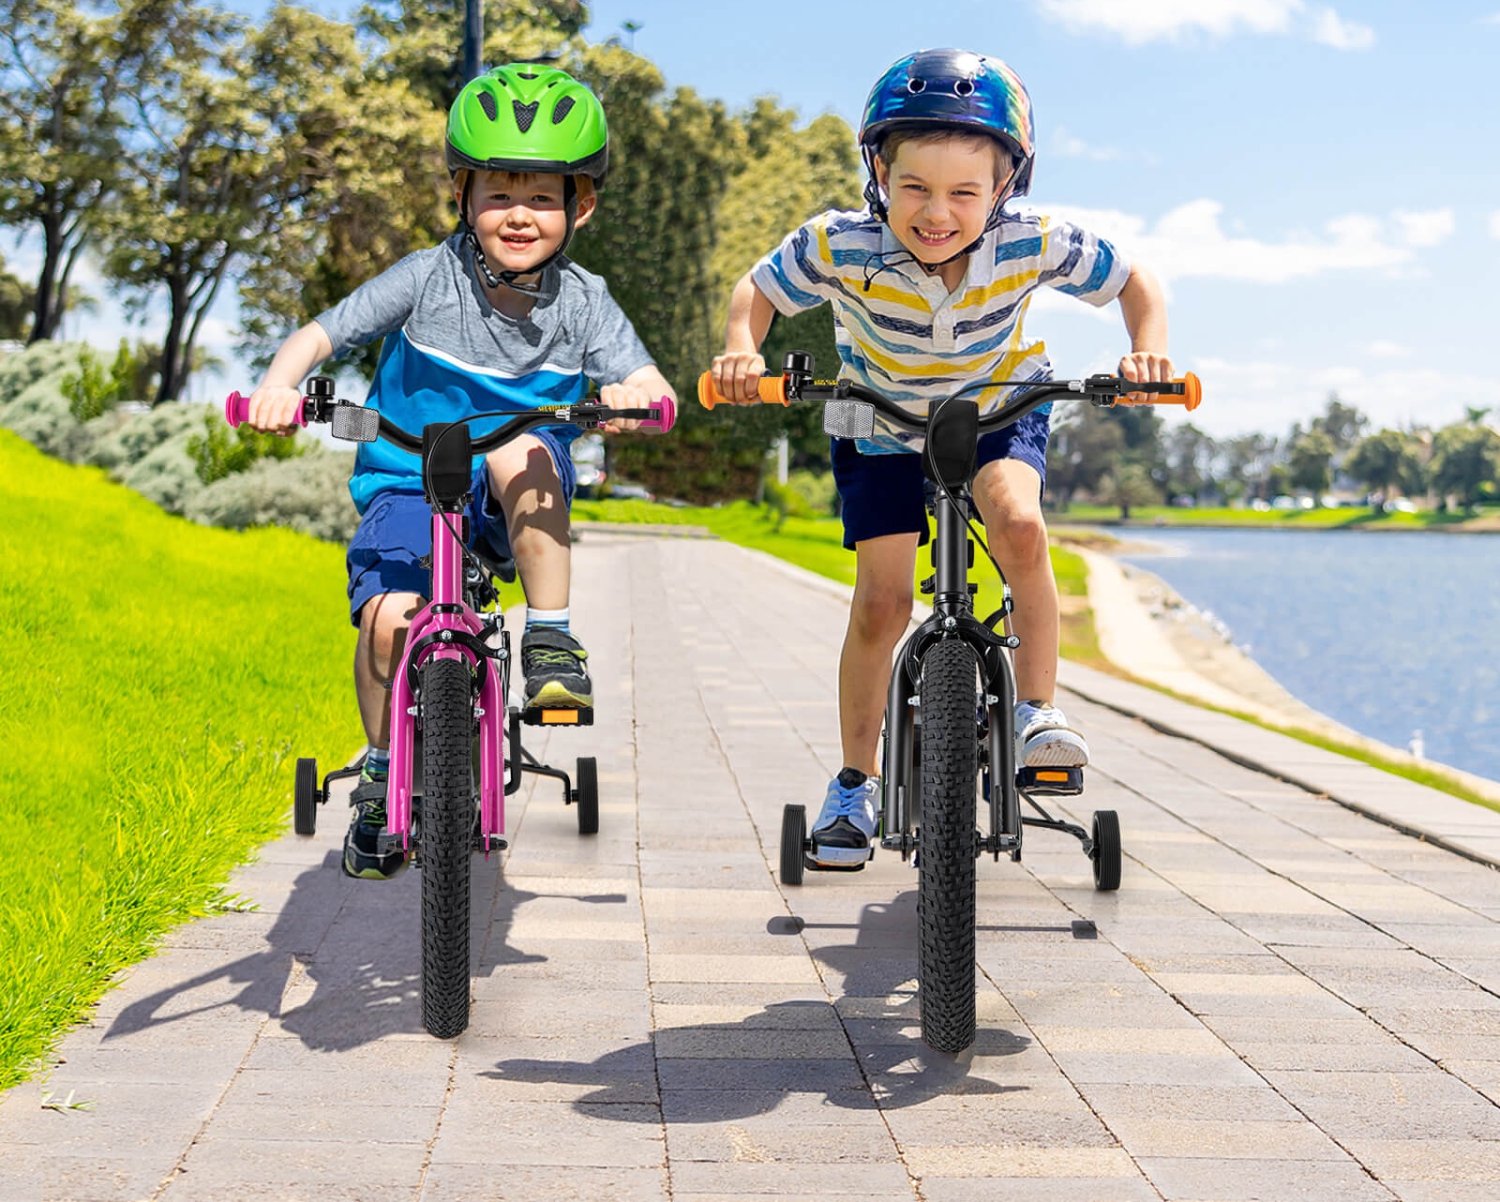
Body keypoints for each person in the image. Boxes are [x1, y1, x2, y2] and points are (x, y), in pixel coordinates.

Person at [710, 48, 1172, 867]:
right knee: (882, 602)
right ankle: (854, 783)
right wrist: (742, 351)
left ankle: (1035, 714)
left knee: (1021, 525)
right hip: (879, 421)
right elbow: (759, 291)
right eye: (914, 188)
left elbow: (1137, 284)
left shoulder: (1033, 241)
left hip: (995, 410)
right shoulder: (840, 243)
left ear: (1004, 189)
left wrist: (1148, 353)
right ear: (878, 173)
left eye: (965, 192)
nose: (937, 212)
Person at [244, 64, 675, 878]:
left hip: (512, 499)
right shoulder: (426, 276)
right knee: (389, 621)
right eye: (499, 193)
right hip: (409, 478)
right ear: (462, 196)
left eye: (544, 196)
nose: (520, 214)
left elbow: (643, 377)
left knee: (520, 450)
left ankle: (550, 638)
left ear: (581, 205)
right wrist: (278, 383)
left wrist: (636, 395)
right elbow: (325, 332)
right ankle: (379, 767)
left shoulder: (586, 301)